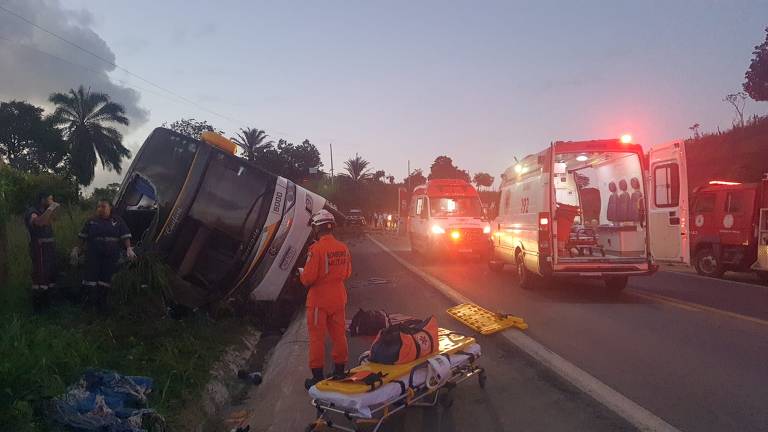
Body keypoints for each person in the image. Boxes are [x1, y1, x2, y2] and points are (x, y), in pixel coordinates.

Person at [300, 209, 352, 389]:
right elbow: (347, 273)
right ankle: (339, 371)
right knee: (339, 335)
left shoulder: (316, 249)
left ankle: (317, 377)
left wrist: (301, 274)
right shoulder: (343, 248)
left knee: (317, 338)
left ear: (317, 229)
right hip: (338, 297)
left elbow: (308, 278)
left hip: (318, 301)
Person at [71, 199, 136, 311]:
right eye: (98, 207)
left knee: (106, 279)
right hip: (93, 254)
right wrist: (77, 249)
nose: (100, 209)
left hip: (111, 255)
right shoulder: (91, 221)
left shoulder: (118, 220)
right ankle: (88, 304)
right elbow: (82, 237)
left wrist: (129, 249)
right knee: (90, 278)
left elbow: (125, 236)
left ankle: (102, 305)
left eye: (103, 206)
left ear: (110, 207)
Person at [24, 192, 60, 312]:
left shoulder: (44, 211)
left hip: (49, 248)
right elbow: (40, 223)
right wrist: (51, 207)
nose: (52, 201)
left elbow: (54, 219)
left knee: (50, 275)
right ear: (42, 199)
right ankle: (38, 308)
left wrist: (51, 209)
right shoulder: (32, 211)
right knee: (40, 276)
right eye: (50, 199)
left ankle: (49, 304)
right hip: (39, 248)